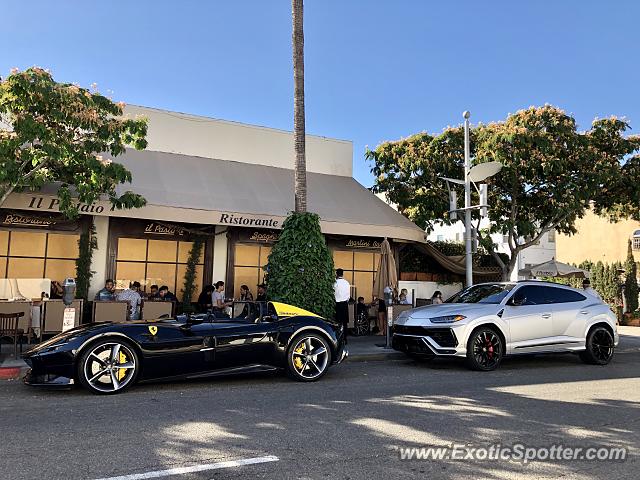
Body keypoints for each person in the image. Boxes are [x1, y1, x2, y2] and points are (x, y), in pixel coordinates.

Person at [334, 268, 350, 342]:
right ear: (342, 274)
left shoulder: (335, 283)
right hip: (345, 304)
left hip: (337, 304)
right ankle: (345, 338)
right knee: (344, 323)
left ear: (336, 274)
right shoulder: (347, 283)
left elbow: (333, 293)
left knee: (337, 322)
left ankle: (338, 338)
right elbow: (348, 296)